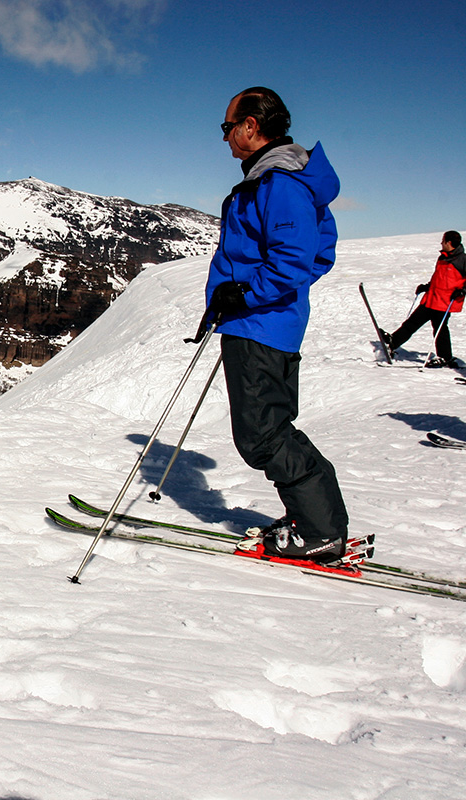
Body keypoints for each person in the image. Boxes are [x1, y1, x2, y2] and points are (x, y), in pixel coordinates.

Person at [204, 86, 350, 564]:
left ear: (251, 126)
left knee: (262, 435)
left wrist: (246, 293)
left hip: (260, 327)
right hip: (269, 324)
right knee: (270, 427)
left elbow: (294, 260)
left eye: (227, 126)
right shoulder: (281, 180)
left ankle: (320, 530)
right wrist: (265, 293)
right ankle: (312, 521)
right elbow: (320, 252)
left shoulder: (279, 184)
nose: (224, 137)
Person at [383, 232, 466, 367]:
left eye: (443, 241)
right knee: (412, 322)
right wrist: (427, 286)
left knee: (440, 330)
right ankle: (394, 341)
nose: (441, 243)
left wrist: (462, 291)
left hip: (445, 302)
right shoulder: (442, 258)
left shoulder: (462, 260)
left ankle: (445, 357)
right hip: (431, 298)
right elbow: (438, 278)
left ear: (449, 243)